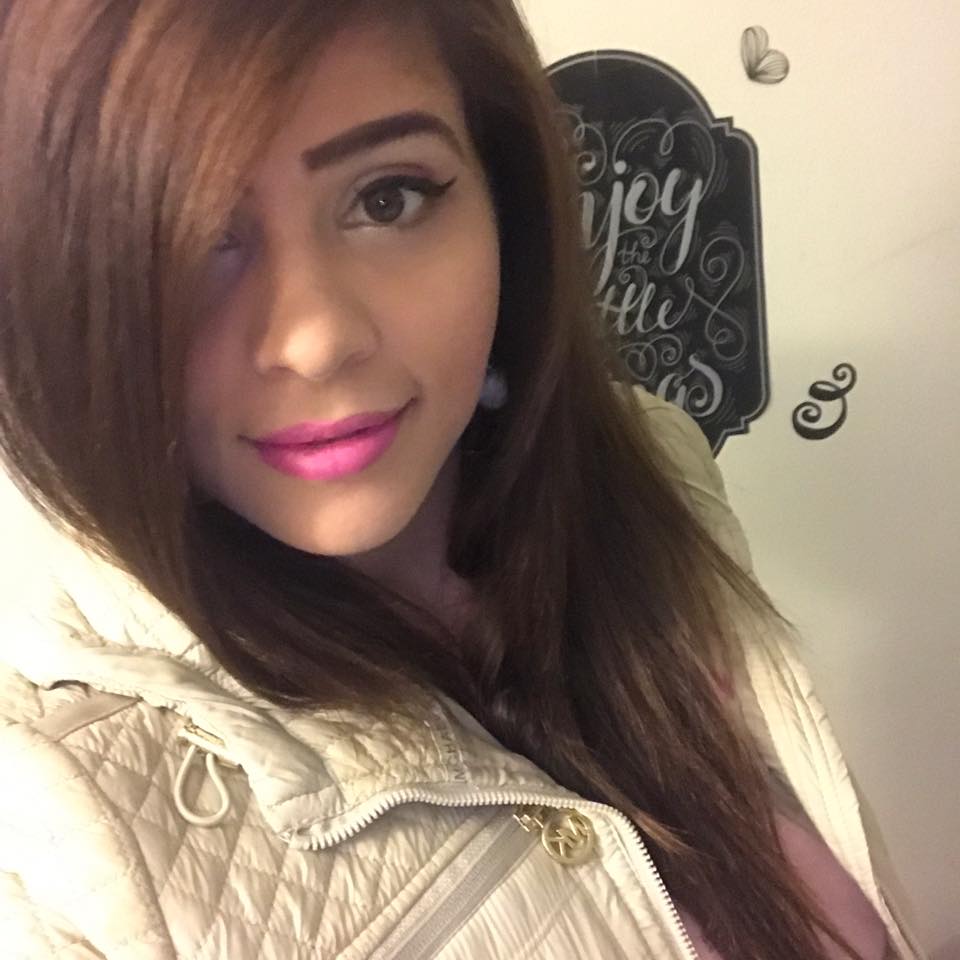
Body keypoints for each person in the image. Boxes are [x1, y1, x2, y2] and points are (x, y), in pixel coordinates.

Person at [0, 1, 927, 957]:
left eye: (387, 199)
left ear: (502, 198)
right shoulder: (63, 835)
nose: (316, 339)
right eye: (190, 239)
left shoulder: (651, 465)